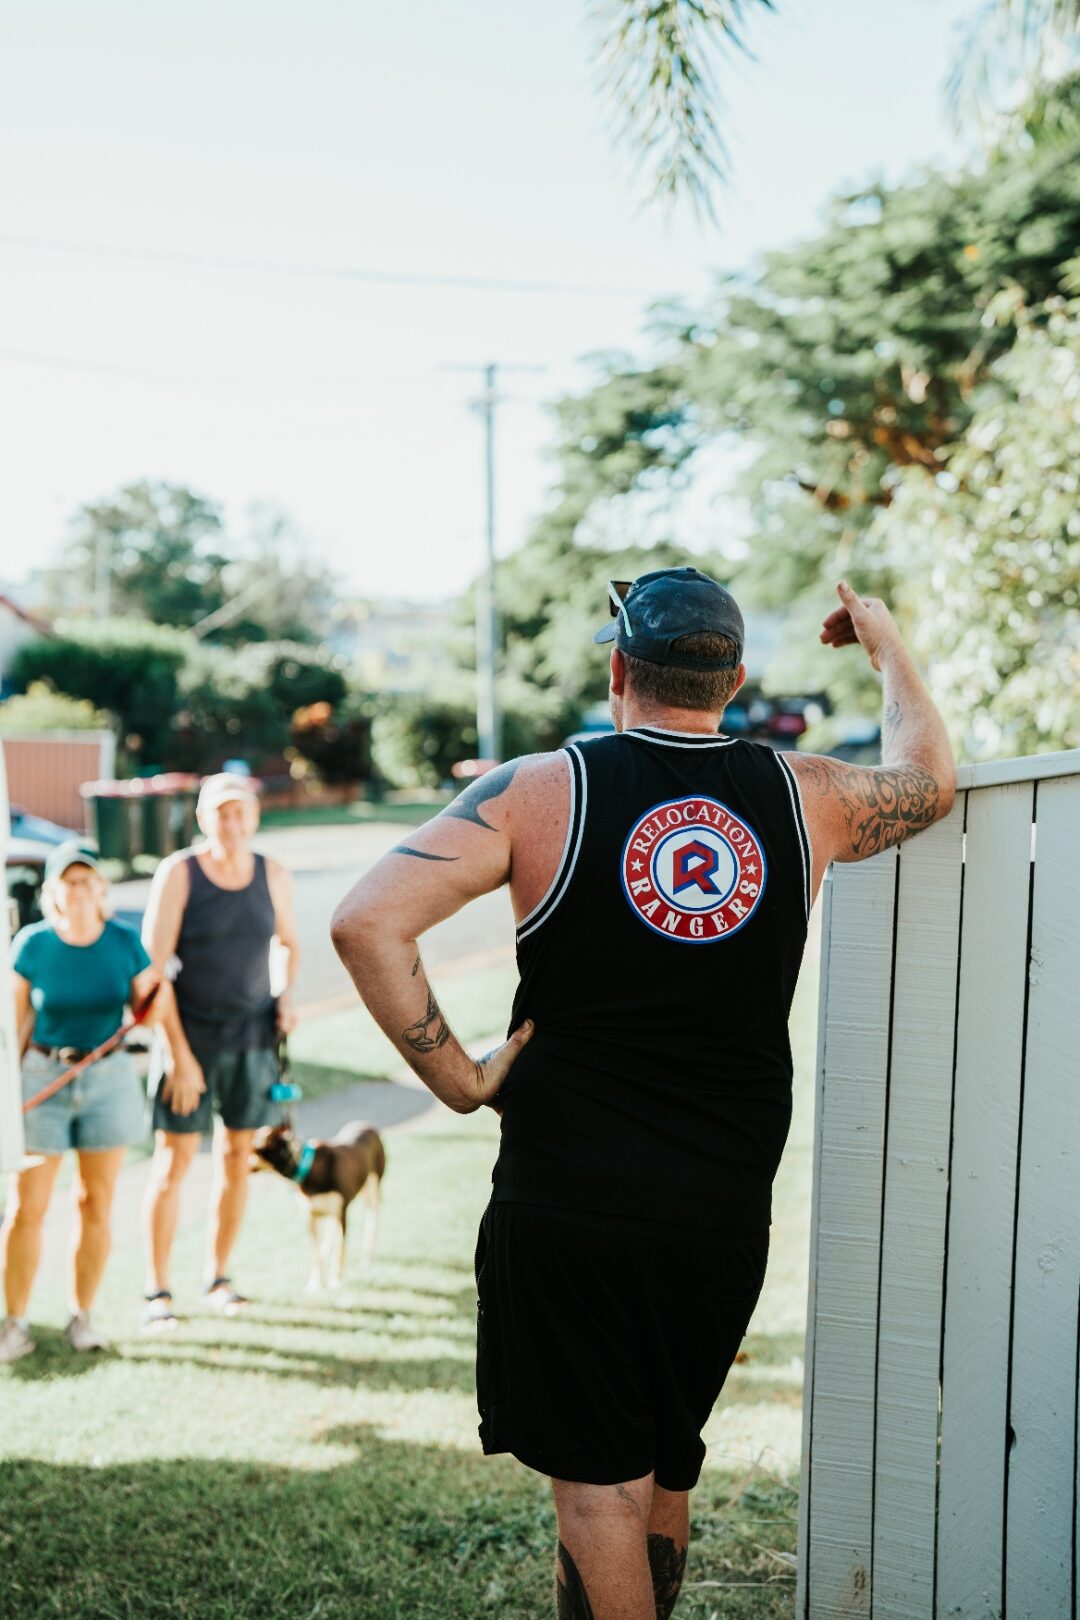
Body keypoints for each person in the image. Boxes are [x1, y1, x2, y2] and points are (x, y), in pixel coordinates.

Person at [329, 570, 956, 1620]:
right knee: (666, 1462)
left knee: (597, 1496)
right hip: (721, 1209)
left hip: (570, 1200)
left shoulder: (539, 790)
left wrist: (461, 1081)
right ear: (735, 680)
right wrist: (887, 646)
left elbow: (366, 923)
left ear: (619, 669)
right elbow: (928, 782)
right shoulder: (806, 796)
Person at [141, 773, 299, 1327]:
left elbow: (288, 946)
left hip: (253, 1041)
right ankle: (157, 1291)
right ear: (202, 818)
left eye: (240, 813)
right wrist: (177, 1056)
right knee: (173, 1164)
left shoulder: (272, 873)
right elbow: (152, 976)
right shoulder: (179, 874)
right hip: (188, 1043)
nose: (231, 824)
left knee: (236, 1159)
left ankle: (218, 1278)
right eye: (220, 814)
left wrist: (284, 996)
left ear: (254, 817)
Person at [0, 844, 159, 1363]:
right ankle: (14, 1322)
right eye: (69, 882)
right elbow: (14, 1028)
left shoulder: (123, 941)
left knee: (95, 1203)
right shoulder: (32, 944)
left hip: (107, 1076)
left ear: (102, 888)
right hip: (42, 1077)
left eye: (88, 880)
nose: (80, 890)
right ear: (52, 892)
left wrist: (155, 1005)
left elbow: (148, 1011)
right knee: (28, 1207)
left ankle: (81, 1316)